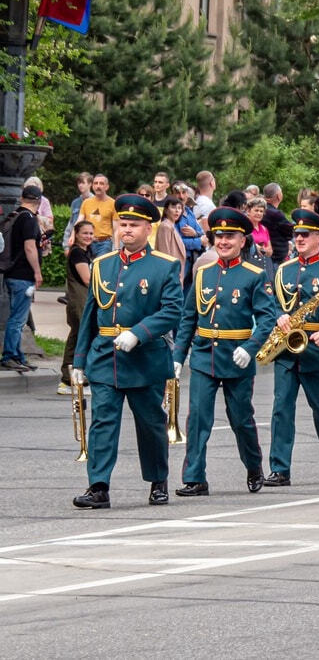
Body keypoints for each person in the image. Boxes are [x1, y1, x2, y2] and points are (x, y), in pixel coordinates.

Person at [69, 195, 184, 509]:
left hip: (145, 359)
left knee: (150, 423)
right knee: (103, 421)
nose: (127, 230)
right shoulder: (103, 264)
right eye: (123, 224)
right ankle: (98, 486)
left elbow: (173, 310)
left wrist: (139, 333)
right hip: (105, 356)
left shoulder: (164, 266)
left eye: (134, 225)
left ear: (148, 228)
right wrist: (79, 360)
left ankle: (158, 479)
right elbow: (90, 315)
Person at [173, 207, 278, 497]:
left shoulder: (254, 276)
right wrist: (178, 358)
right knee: (198, 418)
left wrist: (250, 348)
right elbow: (188, 319)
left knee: (241, 418)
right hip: (205, 355)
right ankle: (195, 477)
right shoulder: (203, 273)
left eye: (229, 236)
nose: (223, 241)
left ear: (243, 241)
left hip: (237, 356)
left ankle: (254, 465)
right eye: (219, 236)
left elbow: (267, 318)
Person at [262, 209, 319, 486]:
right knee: (281, 409)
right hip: (287, 350)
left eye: (304, 235)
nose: (298, 239)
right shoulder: (284, 269)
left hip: (318, 348)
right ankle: (279, 468)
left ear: (318, 238)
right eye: (296, 234)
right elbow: (273, 303)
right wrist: (279, 315)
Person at [1, 186, 44, 372]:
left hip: (11, 273)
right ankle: (9, 356)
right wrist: (37, 271)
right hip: (23, 276)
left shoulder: (15, 215)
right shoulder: (29, 219)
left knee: (18, 317)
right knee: (18, 320)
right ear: (39, 201)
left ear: (21, 197)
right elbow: (29, 247)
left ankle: (18, 356)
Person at [58, 221, 94, 393]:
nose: (88, 236)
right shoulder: (78, 253)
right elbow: (87, 279)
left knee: (76, 338)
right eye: (84, 233)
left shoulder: (85, 251)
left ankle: (69, 379)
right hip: (79, 302)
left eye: (91, 233)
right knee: (82, 339)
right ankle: (73, 379)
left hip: (82, 301)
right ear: (77, 234)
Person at [153, 196, 188, 281]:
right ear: (166, 210)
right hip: (170, 275)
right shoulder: (165, 226)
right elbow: (164, 255)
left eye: (179, 208)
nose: (177, 210)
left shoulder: (172, 226)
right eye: (173, 207)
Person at [81, 175, 117, 257]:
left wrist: (117, 248)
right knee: (87, 268)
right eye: (96, 183)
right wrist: (73, 236)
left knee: (100, 267)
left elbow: (116, 229)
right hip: (88, 242)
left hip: (104, 243)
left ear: (107, 187)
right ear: (92, 186)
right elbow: (79, 221)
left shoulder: (113, 203)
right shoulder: (86, 203)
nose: (98, 186)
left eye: (101, 183)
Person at [260, 183, 294, 264]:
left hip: (263, 255)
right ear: (278, 195)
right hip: (276, 258)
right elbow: (290, 232)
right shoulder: (275, 214)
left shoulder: (260, 209)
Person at [63, 172, 93, 255]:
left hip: (92, 245)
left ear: (90, 184)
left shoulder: (96, 202)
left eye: (83, 183)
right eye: (79, 183)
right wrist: (66, 246)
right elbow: (71, 224)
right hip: (76, 244)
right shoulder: (75, 203)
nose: (80, 185)